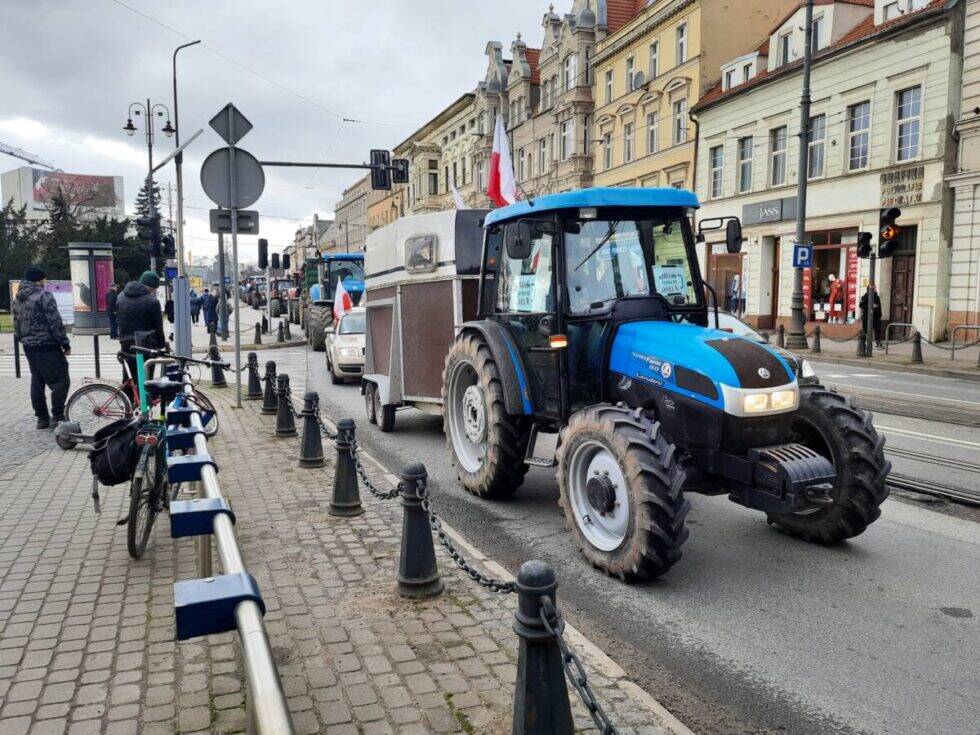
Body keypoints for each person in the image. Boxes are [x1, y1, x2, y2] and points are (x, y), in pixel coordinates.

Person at [12, 266, 71, 429]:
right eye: (44, 279)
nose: (45, 281)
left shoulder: (18, 298)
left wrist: (23, 339)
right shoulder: (44, 296)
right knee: (60, 381)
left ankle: (42, 418)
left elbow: (16, 323)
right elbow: (54, 321)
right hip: (47, 345)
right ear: (40, 279)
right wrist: (64, 343)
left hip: (29, 346)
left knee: (37, 381)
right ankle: (58, 416)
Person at [116, 271, 166, 383]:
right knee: (145, 380)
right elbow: (158, 327)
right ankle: (143, 400)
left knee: (128, 379)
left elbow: (118, 319)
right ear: (152, 287)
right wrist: (162, 345)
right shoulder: (152, 301)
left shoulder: (120, 296)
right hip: (145, 345)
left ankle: (127, 399)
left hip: (126, 344)